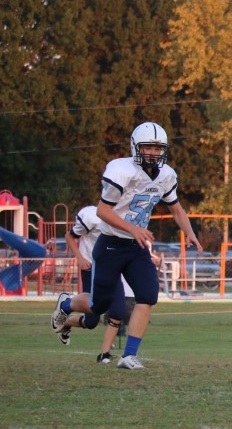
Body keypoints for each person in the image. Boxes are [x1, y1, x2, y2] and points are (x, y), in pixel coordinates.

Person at [50, 122, 202, 370]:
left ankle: (129, 355)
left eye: (157, 148)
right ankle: (66, 304)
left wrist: (190, 234)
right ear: (135, 147)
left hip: (136, 247)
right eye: (147, 147)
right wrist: (133, 228)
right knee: (98, 306)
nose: (153, 152)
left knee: (148, 296)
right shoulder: (121, 170)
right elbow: (102, 211)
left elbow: (176, 209)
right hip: (110, 245)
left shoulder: (166, 175)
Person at [55, 204, 134, 363]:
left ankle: (104, 354)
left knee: (119, 310)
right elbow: (69, 236)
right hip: (92, 267)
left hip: (112, 267)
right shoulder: (92, 215)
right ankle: (66, 308)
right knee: (91, 321)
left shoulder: (128, 216)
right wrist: (80, 258)